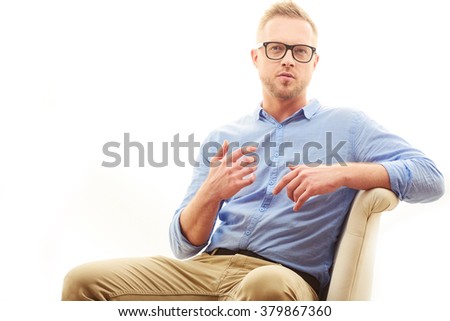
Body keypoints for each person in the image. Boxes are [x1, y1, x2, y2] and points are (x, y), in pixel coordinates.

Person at [62, 0, 444, 301]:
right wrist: (211, 193)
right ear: (256, 57)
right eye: (276, 48)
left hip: (285, 277)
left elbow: (431, 177)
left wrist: (342, 173)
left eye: (300, 51)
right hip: (208, 266)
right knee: (82, 282)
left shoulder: (349, 125)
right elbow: (183, 245)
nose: (288, 59)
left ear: (314, 62)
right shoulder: (226, 136)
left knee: (264, 286)